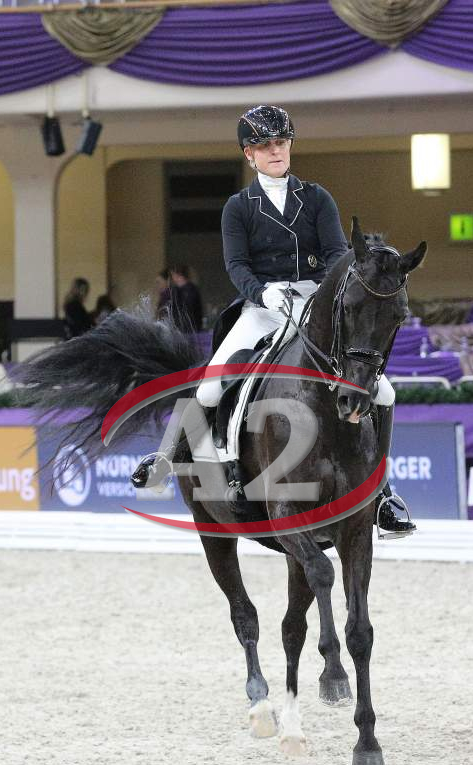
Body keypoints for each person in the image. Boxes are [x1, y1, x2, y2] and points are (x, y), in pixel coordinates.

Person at [132, 105, 414, 535]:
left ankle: (382, 492)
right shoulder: (238, 207)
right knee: (210, 385)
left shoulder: (317, 198)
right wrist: (262, 293)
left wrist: (323, 295)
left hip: (315, 303)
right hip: (262, 306)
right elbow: (236, 265)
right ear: (250, 154)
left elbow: (336, 254)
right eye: (265, 146)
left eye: (281, 142)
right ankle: (174, 457)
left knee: (385, 392)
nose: (275, 150)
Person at [158, 264, 203, 332]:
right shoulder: (179, 290)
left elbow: (187, 310)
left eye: (173, 275)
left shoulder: (189, 290)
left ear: (179, 275)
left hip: (189, 329)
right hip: (186, 327)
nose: (172, 278)